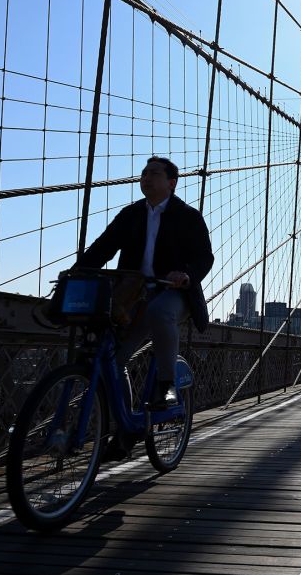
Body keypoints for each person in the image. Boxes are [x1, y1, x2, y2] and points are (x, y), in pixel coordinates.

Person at [75, 155, 213, 459]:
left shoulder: (188, 216)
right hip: (133, 297)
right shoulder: (131, 215)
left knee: (161, 311)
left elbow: (205, 257)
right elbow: (102, 248)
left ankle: (167, 387)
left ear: (171, 182)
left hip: (175, 293)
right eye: (143, 173)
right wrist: (76, 272)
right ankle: (128, 428)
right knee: (113, 357)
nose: (146, 178)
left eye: (153, 173)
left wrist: (186, 274)